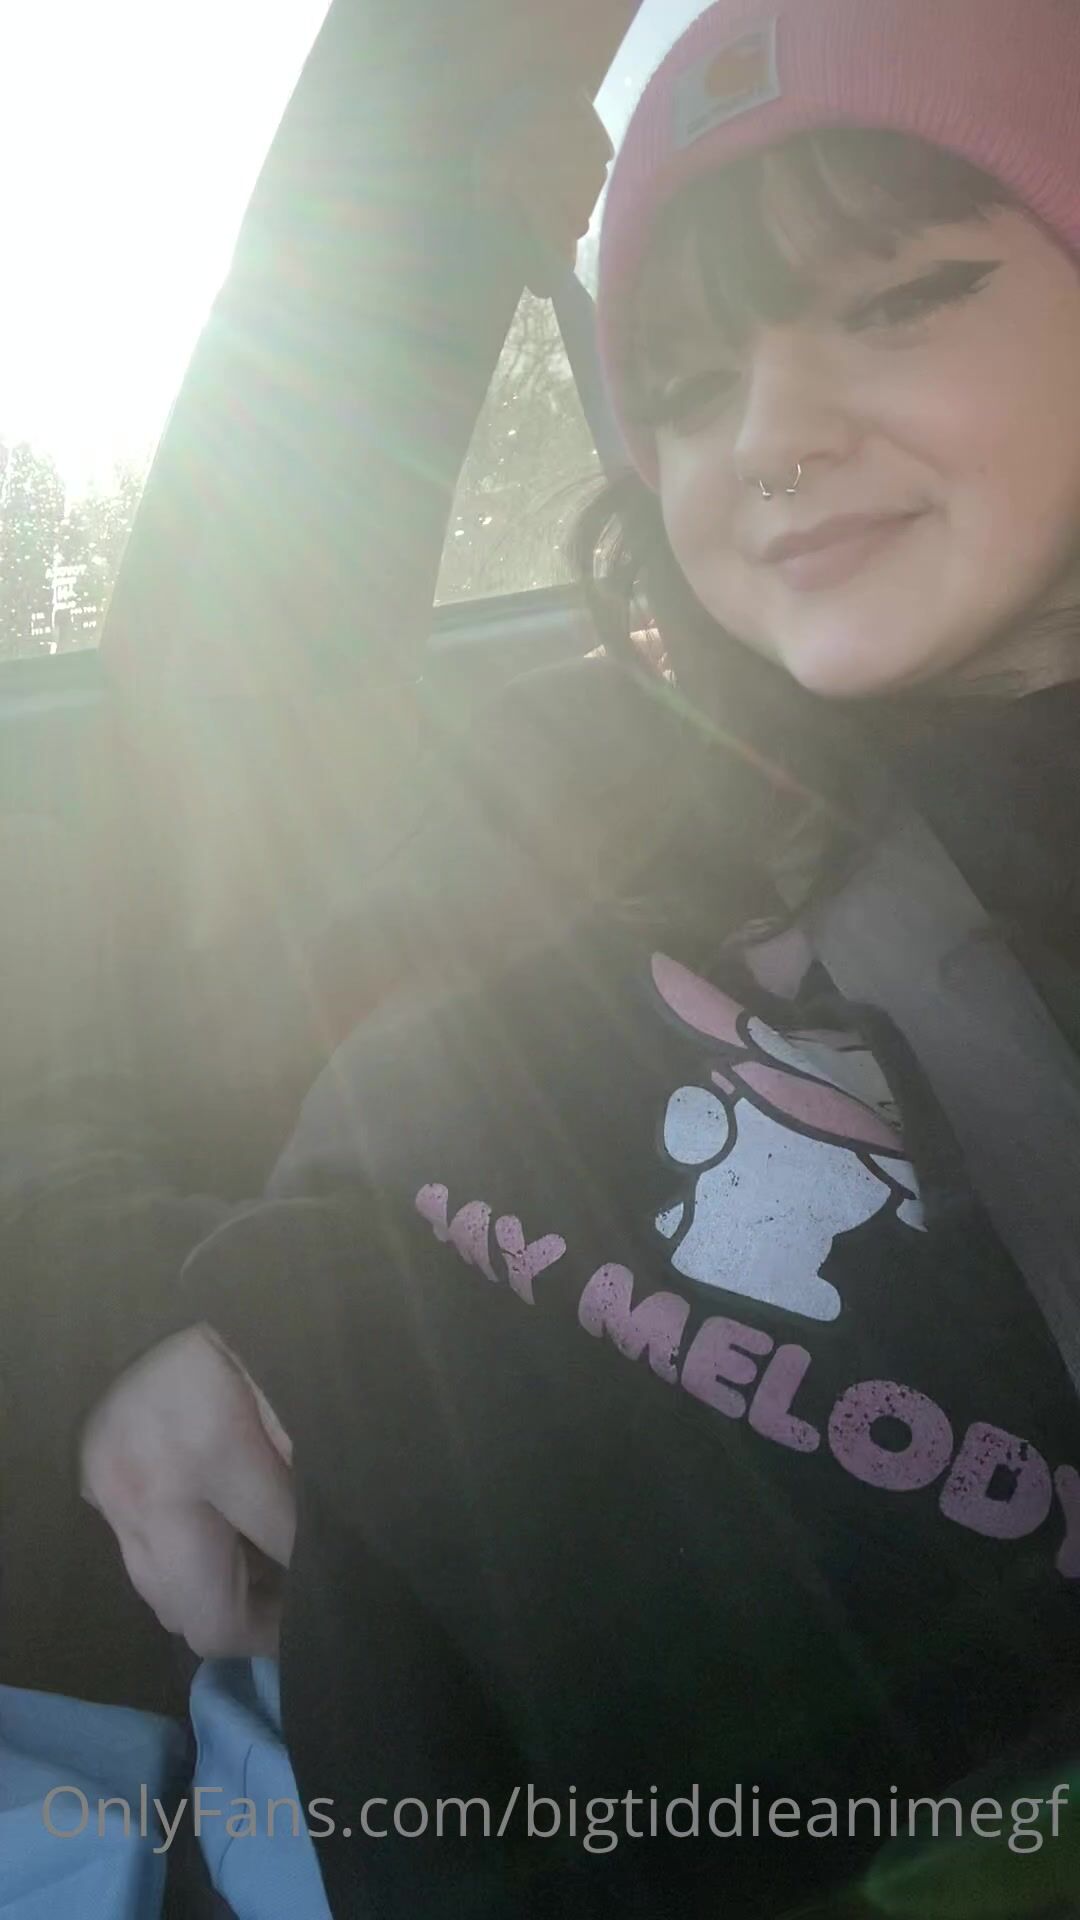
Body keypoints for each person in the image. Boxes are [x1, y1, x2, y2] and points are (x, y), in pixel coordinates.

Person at [77, 0, 1080, 1913]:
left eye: (901, 300)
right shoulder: (633, 781)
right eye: (687, 388)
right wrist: (165, 1317)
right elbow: (236, 756)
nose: (770, 437)